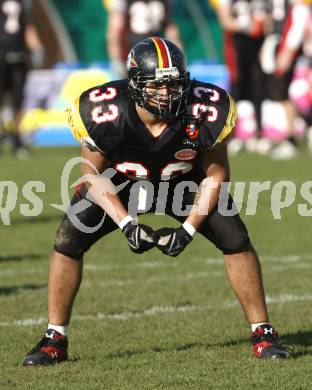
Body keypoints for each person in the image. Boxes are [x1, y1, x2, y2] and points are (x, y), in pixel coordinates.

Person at [23, 37, 289, 366]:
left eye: (174, 84)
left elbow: (217, 175)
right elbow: (90, 175)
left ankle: (263, 333)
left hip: (185, 180)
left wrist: (188, 231)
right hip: (121, 182)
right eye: (157, 86)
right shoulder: (105, 110)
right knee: (68, 240)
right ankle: (54, 339)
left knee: (235, 239)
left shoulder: (205, 109)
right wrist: (127, 224)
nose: (167, 93)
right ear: (135, 85)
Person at [211, 0, 268, 154]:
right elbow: (225, 21)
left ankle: (259, 134)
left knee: (258, 89)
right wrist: (246, 26)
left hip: (257, 46)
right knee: (235, 90)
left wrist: (262, 25)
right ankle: (231, 134)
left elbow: (269, 18)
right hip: (237, 45)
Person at [0, 0, 43, 158]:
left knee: (18, 99)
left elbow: (28, 27)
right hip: (4, 53)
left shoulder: (24, 3)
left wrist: (37, 48)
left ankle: (17, 139)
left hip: (19, 54)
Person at [106, 0, 183, 78]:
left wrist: (179, 54)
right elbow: (115, 33)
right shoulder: (125, 2)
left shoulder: (164, 2)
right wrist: (116, 59)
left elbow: (171, 30)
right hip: (131, 54)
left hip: (155, 55)